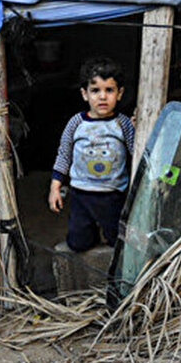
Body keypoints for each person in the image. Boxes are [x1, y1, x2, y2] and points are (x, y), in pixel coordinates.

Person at [48, 56, 136, 252]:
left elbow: (136, 151)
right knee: (78, 243)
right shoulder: (76, 123)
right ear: (84, 94)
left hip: (113, 195)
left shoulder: (122, 123)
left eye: (109, 90)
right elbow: (64, 155)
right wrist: (55, 187)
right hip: (81, 195)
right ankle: (90, 233)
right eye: (95, 90)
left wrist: (138, 128)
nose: (102, 97)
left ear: (120, 93)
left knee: (118, 242)